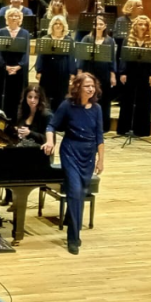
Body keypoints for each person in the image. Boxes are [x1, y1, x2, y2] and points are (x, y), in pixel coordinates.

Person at [41, 73, 105, 255]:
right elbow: (51, 126)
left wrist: (101, 159)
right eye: (87, 86)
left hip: (88, 154)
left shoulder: (97, 109)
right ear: (78, 87)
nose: (90, 89)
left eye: (92, 86)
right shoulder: (67, 106)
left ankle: (71, 218)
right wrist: (50, 141)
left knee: (79, 193)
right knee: (75, 191)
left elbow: (100, 136)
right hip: (70, 151)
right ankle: (73, 238)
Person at [118, 15, 151, 138]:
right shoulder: (127, 40)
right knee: (127, 100)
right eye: (140, 24)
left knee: (143, 101)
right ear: (135, 26)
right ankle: (125, 128)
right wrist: (123, 72)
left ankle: (141, 129)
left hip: (145, 74)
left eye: (145, 25)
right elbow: (123, 58)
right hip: (130, 73)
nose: (142, 27)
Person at [78, 15, 118, 131]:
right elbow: (81, 57)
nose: (98, 27)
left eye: (101, 24)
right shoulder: (87, 39)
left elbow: (112, 59)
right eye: (96, 24)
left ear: (105, 26)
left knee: (103, 100)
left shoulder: (110, 41)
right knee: (87, 98)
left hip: (103, 73)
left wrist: (113, 75)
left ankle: (102, 126)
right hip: (89, 72)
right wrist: (79, 73)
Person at [0, 7, 32, 119]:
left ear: (20, 19)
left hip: (19, 70)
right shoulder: (1, 31)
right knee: (1, 95)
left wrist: (19, 66)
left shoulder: (25, 33)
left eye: (17, 16)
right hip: (3, 69)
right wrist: (6, 66)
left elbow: (27, 52)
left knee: (17, 96)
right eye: (11, 16)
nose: (14, 18)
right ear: (6, 18)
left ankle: (15, 121)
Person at [37, 15, 75, 107]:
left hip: (63, 70)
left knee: (60, 97)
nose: (58, 26)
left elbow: (71, 57)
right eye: (56, 24)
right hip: (47, 70)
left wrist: (72, 73)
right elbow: (41, 56)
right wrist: (39, 71)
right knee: (45, 97)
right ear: (52, 26)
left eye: (60, 24)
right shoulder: (45, 39)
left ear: (64, 26)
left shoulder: (68, 40)